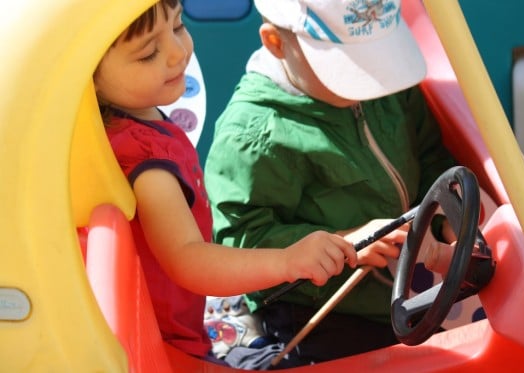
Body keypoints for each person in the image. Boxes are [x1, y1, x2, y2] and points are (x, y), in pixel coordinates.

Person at [93, 0, 392, 365]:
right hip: (165, 345)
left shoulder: (133, 115)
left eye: (177, 26)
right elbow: (187, 259)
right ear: (88, 72)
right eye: (148, 53)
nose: (176, 53)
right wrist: (288, 260)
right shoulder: (147, 162)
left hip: (179, 324)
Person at [204, 0, 456, 368]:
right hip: (321, 310)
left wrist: (447, 219)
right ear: (276, 43)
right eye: (349, 67)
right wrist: (343, 242)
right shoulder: (255, 133)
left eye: (377, 57)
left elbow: (430, 154)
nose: (370, 78)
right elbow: (239, 242)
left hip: (411, 288)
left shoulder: (388, 86)